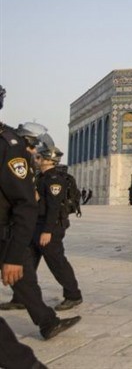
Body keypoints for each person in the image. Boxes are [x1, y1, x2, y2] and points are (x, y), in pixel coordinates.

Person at [0, 87, 80, 345]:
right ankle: (47, 322)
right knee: (25, 278)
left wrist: (13, 255)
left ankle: (52, 316)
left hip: (11, 230)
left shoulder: (9, 147)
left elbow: (27, 205)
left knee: (29, 272)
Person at [28, 140, 83, 311]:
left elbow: (53, 208)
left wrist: (47, 231)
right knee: (28, 261)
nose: (36, 159)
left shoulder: (54, 179)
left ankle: (73, 295)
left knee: (56, 262)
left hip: (50, 226)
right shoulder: (41, 177)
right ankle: (22, 297)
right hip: (36, 224)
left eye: (38, 157)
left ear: (47, 159)